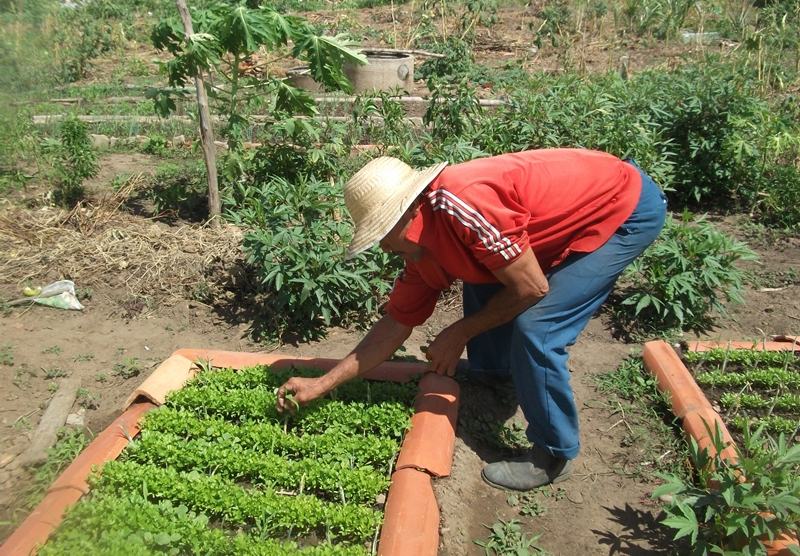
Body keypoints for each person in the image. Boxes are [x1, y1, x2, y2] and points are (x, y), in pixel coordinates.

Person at [277, 149, 667, 491]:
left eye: (382, 233)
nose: (382, 247)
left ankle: (552, 455)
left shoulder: (466, 205)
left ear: (409, 213)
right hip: (573, 209)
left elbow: (531, 288)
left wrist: (459, 332)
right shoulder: (421, 247)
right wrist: (322, 384)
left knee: (538, 328)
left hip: (622, 207)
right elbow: (396, 323)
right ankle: (495, 375)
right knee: (486, 272)